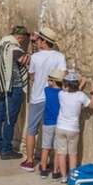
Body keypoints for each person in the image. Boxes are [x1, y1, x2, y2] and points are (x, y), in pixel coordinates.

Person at [21, 27, 66, 171]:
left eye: (39, 39)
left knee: (32, 129)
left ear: (44, 41)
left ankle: (29, 161)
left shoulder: (35, 57)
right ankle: (52, 164)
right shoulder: (60, 57)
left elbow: (32, 76)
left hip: (37, 97)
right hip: (54, 97)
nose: (37, 41)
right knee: (54, 129)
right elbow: (63, 75)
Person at [0, 26, 30, 160]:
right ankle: (6, 150)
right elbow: (25, 61)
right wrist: (34, 49)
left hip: (0, 86)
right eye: (23, 39)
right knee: (10, 119)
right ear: (20, 37)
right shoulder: (13, 48)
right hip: (13, 88)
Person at [54, 72, 93, 183]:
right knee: (72, 154)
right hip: (73, 128)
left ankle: (64, 177)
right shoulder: (81, 96)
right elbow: (92, 106)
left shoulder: (61, 94)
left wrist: (80, 83)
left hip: (60, 127)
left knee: (62, 154)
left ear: (66, 85)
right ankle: (72, 178)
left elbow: (71, 91)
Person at [36, 69, 64, 178]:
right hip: (59, 124)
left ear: (53, 81)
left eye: (49, 80)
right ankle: (55, 172)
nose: (48, 81)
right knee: (57, 149)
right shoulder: (62, 93)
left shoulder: (47, 90)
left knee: (45, 148)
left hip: (48, 123)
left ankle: (43, 170)